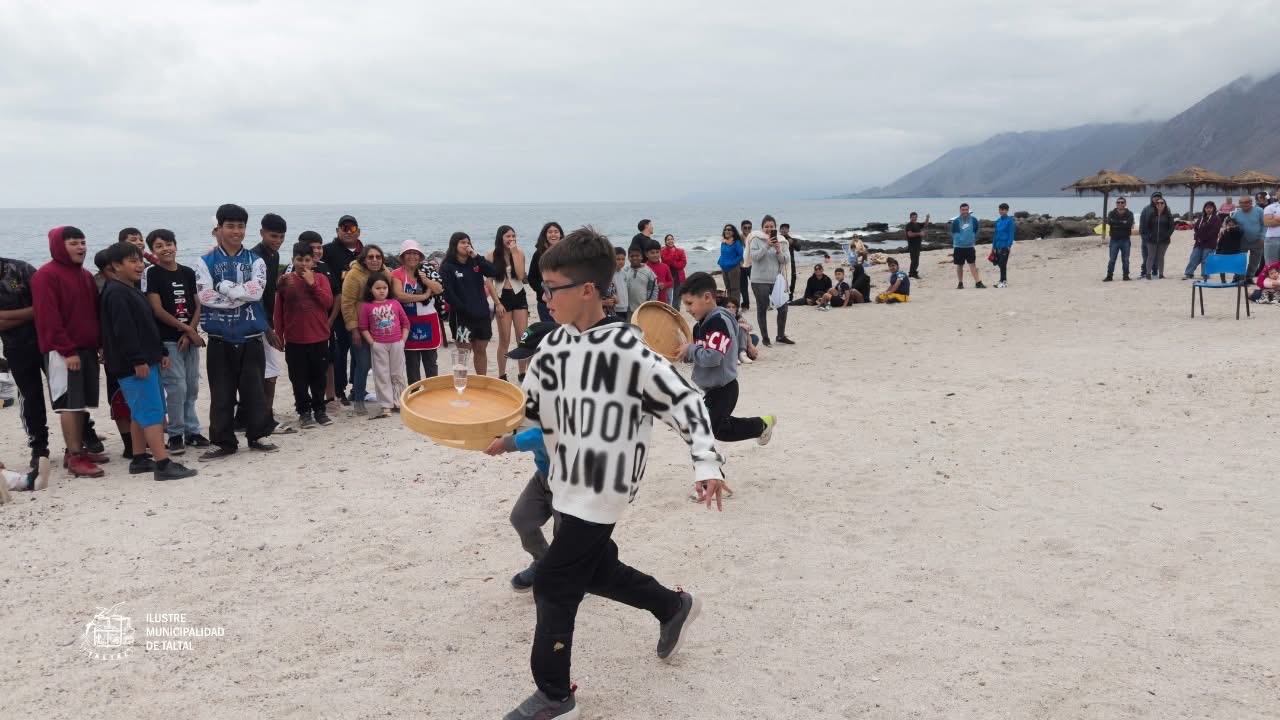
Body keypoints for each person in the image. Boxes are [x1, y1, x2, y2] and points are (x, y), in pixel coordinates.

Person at [504, 226, 726, 720]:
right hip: (562, 480)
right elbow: (533, 410)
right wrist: (498, 432)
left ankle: (555, 698)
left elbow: (687, 402)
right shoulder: (553, 347)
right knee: (597, 569)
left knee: (555, 584)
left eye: (552, 289)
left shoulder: (631, 353)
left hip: (604, 487)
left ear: (587, 290)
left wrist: (706, 463)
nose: (545, 298)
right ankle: (672, 607)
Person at [99, 242, 198, 481]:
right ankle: (163, 464)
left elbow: (146, 328)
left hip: (148, 359)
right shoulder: (116, 293)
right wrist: (138, 360)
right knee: (152, 411)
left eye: (139, 260)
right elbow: (124, 332)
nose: (139, 265)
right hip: (135, 365)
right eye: (132, 261)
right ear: (115, 266)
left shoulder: (130, 289)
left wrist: (160, 352)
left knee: (138, 412)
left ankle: (139, 458)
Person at [195, 204, 277, 460]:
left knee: (254, 390)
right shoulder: (205, 261)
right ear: (219, 228)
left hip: (251, 335)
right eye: (230, 226)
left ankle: (257, 436)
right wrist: (238, 296)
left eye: (241, 226)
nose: (236, 231)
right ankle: (223, 441)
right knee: (221, 392)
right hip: (219, 337)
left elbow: (257, 292)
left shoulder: (256, 260)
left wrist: (226, 288)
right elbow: (205, 296)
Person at [482, 321, 559, 593]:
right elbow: (520, 418)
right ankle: (543, 562)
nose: (529, 363)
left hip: (572, 475)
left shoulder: (568, 383)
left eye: (533, 355)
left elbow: (554, 431)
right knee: (522, 519)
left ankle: (573, 576)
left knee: (569, 537)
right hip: (544, 470)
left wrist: (509, 443)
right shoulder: (534, 380)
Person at [31, 227, 109, 478]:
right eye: (74, 243)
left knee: (83, 403)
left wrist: (99, 343)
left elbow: (92, 313)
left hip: (86, 348)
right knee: (69, 404)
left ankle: (76, 449)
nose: (81, 247)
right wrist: (67, 350)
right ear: (58, 245)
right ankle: (76, 457)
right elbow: (48, 318)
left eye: (83, 242)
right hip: (63, 352)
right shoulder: (45, 275)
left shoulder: (85, 275)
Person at [678, 270, 777, 446]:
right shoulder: (700, 325)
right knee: (706, 426)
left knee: (715, 429)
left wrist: (691, 349)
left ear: (707, 297)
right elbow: (700, 354)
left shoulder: (718, 322)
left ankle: (761, 424)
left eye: (690, 303)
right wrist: (686, 354)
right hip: (711, 389)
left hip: (724, 389)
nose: (687, 309)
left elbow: (713, 357)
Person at [143, 229, 208, 455]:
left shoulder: (187, 272)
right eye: (159, 246)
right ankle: (176, 434)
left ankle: (192, 431)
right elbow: (157, 310)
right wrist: (189, 330)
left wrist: (189, 333)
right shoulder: (152, 274)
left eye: (169, 244)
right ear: (153, 251)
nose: (165, 249)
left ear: (176, 245)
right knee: (176, 388)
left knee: (191, 387)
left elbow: (197, 304)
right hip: (169, 340)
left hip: (188, 339)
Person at [0, 254, 51, 478]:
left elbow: (46, 306)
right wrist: (31, 314)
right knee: (30, 397)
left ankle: (82, 438)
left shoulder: (20, 269)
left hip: (48, 341)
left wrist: (5, 317)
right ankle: (39, 447)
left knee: (65, 392)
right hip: (15, 347)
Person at [275, 241, 335, 428]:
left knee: (319, 376)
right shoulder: (285, 281)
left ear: (313, 262)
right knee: (298, 379)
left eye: (307, 260)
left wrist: (312, 284)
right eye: (299, 260)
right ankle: (304, 411)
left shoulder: (321, 279)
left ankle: (319, 410)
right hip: (295, 339)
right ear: (293, 260)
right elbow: (278, 310)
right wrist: (279, 334)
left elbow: (327, 302)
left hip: (318, 337)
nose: (303, 264)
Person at [92, 249, 136, 458]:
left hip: (130, 350)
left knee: (136, 398)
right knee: (118, 398)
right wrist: (100, 345)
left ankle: (138, 441)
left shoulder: (128, 285)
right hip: (114, 352)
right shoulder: (101, 287)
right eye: (110, 269)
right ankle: (129, 444)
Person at [439, 232, 502, 376]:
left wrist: (477, 257)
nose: (466, 245)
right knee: (463, 354)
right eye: (462, 242)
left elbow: (493, 272)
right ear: (454, 245)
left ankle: (482, 381)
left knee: (481, 350)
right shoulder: (447, 267)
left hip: (482, 316)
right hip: (462, 318)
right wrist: (464, 309)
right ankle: (461, 383)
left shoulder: (476, 262)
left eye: (468, 242)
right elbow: (448, 294)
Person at [250, 213, 289, 432]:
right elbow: (253, 296)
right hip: (257, 322)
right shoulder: (256, 257)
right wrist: (267, 328)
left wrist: (280, 283)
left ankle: (262, 416)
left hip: (267, 319)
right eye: (273, 236)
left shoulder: (273, 255)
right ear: (262, 232)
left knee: (265, 370)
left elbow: (268, 289)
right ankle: (264, 418)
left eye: (282, 237)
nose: (277, 240)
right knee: (269, 370)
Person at [340, 245, 389, 414]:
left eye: (378, 256)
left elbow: (393, 294)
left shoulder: (384, 272)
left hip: (382, 326)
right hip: (360, 327)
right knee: (363, 363)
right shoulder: (354, 275)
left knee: (383, 364)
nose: (375, 260)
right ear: (364, 258)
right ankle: (359, 399)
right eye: (371, 257)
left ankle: (387, 398)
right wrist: (353, 330)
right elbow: (346, 303)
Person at [321, 215, 363, 406]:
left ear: (358, 231)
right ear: (337, 231)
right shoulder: (328, 251)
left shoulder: (364, 252)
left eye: (352, 228)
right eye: (344, 228)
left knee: (359, 351)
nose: (348, 231)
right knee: (339, 352)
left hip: (360, 310)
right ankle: (339, 390)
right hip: (337, 310)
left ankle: (357, 387)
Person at [390, 239, 443, 384]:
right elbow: (399, 296)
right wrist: (424, 296)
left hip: (428, 321)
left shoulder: (428, 270)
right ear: (402, 257)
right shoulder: (396, 274)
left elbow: (439, 289)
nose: (412, 256)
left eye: (415, 253)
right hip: (408, 323)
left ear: (420, 256)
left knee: (431, 361)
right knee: (412, 363)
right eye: (408, 253)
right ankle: (414, 394)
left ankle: (433, 392)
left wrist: (426, 281)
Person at [358, 275, 409, 420]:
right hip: (379, 344)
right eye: (378, 288)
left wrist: (402, 340)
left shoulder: (395, 303)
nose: (381, 291)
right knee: (382, 374)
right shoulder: (367, 306)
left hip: (396, 343)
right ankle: (386, 404)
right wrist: (372, 343)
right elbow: (363, 327)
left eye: (384, 288)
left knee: (397, 373)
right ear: (371, 289)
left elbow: (405, 323)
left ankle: (399, 401)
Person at [487, 225, 530, 383]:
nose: (511, 239)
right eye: (508, 236)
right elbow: (489, 282)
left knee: (522, 338)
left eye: (513, 236)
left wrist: (514, 252)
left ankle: (522, 372)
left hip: (519, 295)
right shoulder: (491, 255)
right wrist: (497, 303)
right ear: (501, 238)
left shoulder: (520, 253)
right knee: (504, 339)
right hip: (502, 297)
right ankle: (502, 374)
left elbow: (519, 275)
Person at [748, 214, 794, 346]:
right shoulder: (756, 239)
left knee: (783, 308)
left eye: (771, 226)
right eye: (766, 226)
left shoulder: (781, 241)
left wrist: (779, 250)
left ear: (775, 228)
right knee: (762, 308)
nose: (769, 229)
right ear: (762, 228)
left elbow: (785, 260)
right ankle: (765, 338)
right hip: (759, 280)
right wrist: (767, 245)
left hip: (776, 281)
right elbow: (754, 257)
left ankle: (780, 336)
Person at [527, 222, 563, 322]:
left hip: (564, 299)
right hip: (545, 302)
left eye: (556, 231)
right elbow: (531, 278)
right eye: (550, 232)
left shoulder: (567, 253)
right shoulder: (538, 254)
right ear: (545, 235)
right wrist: (543, 291)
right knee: (548, 331)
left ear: (560, 235)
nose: (553, 234)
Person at [1183, 201, 1224, 281]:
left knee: (1206, 260)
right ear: (1204, 209)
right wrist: (1197, 237)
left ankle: (1205, 274)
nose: (1208, 209)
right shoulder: (1201, 218)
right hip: (1198, 243)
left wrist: (1203, 238)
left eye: (1210, 208)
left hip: (1210, 243)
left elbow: (1214, 231)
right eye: (1207, 208)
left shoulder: (1216, 219)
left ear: (1213, 209)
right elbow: (1196, 228)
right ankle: (1189, 273)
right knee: (1194, 258)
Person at [1142, 195, 1176, 279]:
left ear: (1165, 204)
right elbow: (1147, 226)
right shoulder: (1152, 215)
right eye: (1158, 203)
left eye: (1162, 203)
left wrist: (1166, 235)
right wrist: (1149, 235)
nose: (1160, 205)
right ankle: (1148, 274)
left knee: (1160, 257)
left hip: (1164, 241)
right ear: (1156, 205)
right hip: (1152, 240)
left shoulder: (1168, 215)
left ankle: (1161, 274)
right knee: (1151, 256)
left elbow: (1171, 227)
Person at [951, 203, 984, 289]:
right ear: (960, 210)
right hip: (959, 247)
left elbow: (976, 230)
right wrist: (961, 240)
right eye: (963, 210)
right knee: (959, 265)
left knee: (972, 264)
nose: (965, 211)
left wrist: (971, 239)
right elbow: (954, 233)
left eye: (966, 210)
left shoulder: (974, 220)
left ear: (968, 210)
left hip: (970, 247)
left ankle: (978, 282)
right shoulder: (956, 221)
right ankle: (960, 283)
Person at [1232, 195, 1265, 279]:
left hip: (1258, 240)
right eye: (1241, 203)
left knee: (1255, 261)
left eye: (1246, 202)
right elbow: (1230, 223)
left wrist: (1262, 237)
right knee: (1241, 260)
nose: (1244, 204)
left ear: (1251, 202)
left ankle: (1249, 277)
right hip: (1243, 240)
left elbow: (1264, 225)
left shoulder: (1259, 211)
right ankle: (1238, 277)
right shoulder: (1237, 213)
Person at [621, 246, 659, 321]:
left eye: (637, 256)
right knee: (630, 329)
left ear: (642, 257)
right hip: (628, 309)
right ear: (628, 258)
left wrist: (649, 305)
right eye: (632, 256)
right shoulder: (625, 271)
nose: (635, 258)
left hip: (643, 308)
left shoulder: (648, 272)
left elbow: (653, 290)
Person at [1105, 197, 1135, 281]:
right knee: (1112, 259)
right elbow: (1109, 222)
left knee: (1126, 259)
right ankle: (1109, 276)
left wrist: (1116, 223)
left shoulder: (1129, 213)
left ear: (1125, 204)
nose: (1120, 204)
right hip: (1114, 240)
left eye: (1122, 202)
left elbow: (1129, 224)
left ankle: (1126, 276)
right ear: (1116, 204)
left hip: (1125, 240)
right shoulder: (1111, 213)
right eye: (1118, 202)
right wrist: (1123, 223)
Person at [1138, 192, 1165, 279]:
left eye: (1158, 197)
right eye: (1155, 197)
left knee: (1157, 257)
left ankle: (1154, 271)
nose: (1156, 198)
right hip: (1146, 237)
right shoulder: (1146, 209)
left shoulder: (1165, 209)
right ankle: (1144, 272)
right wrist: (1143, 235)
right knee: (1146, 256)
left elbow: (1169, 224)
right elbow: (1142, 223)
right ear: (1151, 198)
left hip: (1158, 238)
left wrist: (1165, 235)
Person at [717, 224, 744, 303]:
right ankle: (729, 305)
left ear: (733, 232)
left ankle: (735, 306)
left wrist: (732, 263)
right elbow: (723, 254)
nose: (727, 231)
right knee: (728, 288)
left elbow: (740, 255)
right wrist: (721, 262)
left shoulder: (736, 243)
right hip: (724, 268)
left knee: (735, 288)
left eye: (729, 230)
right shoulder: (723, 242)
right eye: (726, 229)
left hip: (733, 268)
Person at [644, 240, 675, 306]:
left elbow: (671, 282)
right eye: (652, 253)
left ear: (660, 253)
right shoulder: (644, 268)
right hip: (647, 302)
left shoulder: (665, 266)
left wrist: (664, 285)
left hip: (662, 301)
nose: (655, 255)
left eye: (657, 252)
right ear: (646, 254)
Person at [992, 203, 1015, 288]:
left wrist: (1009, 245)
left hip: (1005, 245)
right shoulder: (998, 221)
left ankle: (1003, 281)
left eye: (1003, 210)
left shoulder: (1010, 221)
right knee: (999, 263)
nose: (1001, 211)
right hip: (997, 245)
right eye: (1000, 209)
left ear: (1006, 210)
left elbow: (1011, 234)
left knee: (1002, 263)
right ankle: (1002, 280)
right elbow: (995, 234)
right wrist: (993, 246)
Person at [661, 234, 687, 306]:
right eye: (668, 239)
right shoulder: (662, 252)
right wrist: (674, 256)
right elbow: (666, 261)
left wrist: (674, 263)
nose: (670, 241)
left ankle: (676, 311)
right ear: (665, 242)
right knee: (668, 296)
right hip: (668, 276)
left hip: (679, 276)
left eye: (671, 239)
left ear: (674, 240)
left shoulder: (681, 251)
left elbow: (683, 264)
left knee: (677, 296)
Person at [904, 212, 928, 279]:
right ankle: (912, 273)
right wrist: (919, 234)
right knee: (914, 260)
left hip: (918, 245)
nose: (914, 218)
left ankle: (913, 273)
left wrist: (927, 218)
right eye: (913, 217)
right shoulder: (909, 225)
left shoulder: (917, 224)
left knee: (916, 260)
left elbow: (925, 224)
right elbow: (910, 234)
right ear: (910, 217)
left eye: (915, 217)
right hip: (912, 245)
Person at [608, 246, 629, 321]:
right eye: (618, 259)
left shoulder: (624, 274)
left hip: (625, 307)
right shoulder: (609, 274)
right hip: (615, 309)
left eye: (623, 259)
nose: (621, 261)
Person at [779, 224, 799, 300]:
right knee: (780, 280)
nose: (784, 230)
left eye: (786, 229)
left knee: (792, 278)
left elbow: (798, 248)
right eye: (782, 229)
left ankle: (790, 297)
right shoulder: (777, 238)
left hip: (791, 263)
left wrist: (792, 243)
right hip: (780, 263)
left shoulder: (791, 239)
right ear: (779, 230)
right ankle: (780, 297)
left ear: (788, 230)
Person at [739, 219, 753, 309]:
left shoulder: (753, 238)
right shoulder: (738, 238)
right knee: (743, 286)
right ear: (741, 228)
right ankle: (746, 304)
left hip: (752, 265)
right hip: (741, 265)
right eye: (745, 228)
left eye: (749, 228)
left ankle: (764, 303)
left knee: (756, 285)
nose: (747, 229)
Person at [1264, 194, 1280, 264]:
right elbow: (1268, 223)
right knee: (1271, 267)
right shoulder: (1270, 207)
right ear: (1277, 193)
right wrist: (1272, 220)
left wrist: (1276, 218)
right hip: (1272, 239)